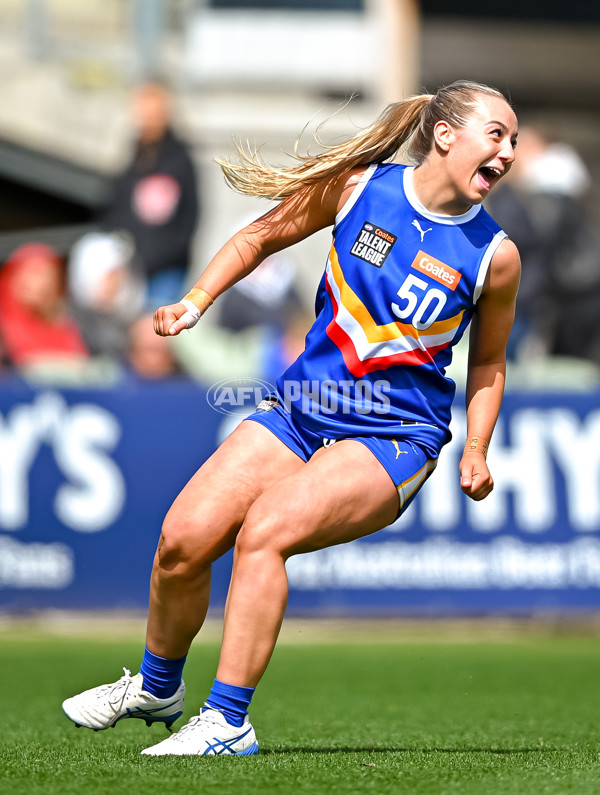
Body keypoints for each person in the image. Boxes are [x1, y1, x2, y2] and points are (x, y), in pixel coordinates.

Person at [62, 80, 520, 756]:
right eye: (497, 134)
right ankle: (159, 686)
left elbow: (488, 363)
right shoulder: (360, 189)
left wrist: (476, 447)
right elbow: (262, 235)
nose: (508, 152)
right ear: (445, 135)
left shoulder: (494, 254)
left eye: (512, 140)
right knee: (181, 540)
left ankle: (227, 721)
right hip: (302, 411)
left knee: (265, 531)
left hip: (395, 437)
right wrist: (196, 300)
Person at [100, 80, 200, 311]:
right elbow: (116, 208)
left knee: (154, 329)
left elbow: (191, 215)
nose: (147, 118)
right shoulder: (133, 157)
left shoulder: (179, 159)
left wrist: (160, 256)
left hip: (166, 270)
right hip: (131, 268)